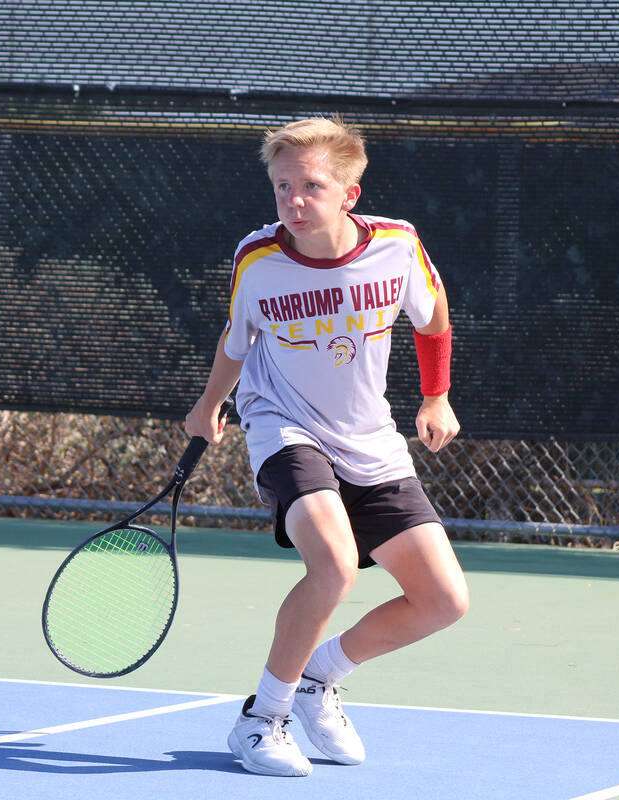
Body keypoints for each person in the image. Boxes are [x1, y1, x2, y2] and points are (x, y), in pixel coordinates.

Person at [184, 115, 469, 778]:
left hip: (369, 437)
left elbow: (435, 317)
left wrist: (436, 396)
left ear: (350, 194)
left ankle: (318, 677)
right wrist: (208, 405)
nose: (294, 201)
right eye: (283, 186)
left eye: (311, 186)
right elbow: (237, 338)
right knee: (335, 565)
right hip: (283, 423)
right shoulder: (258, 257)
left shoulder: (397, 247)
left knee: (443, 600)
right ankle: (260, 721)